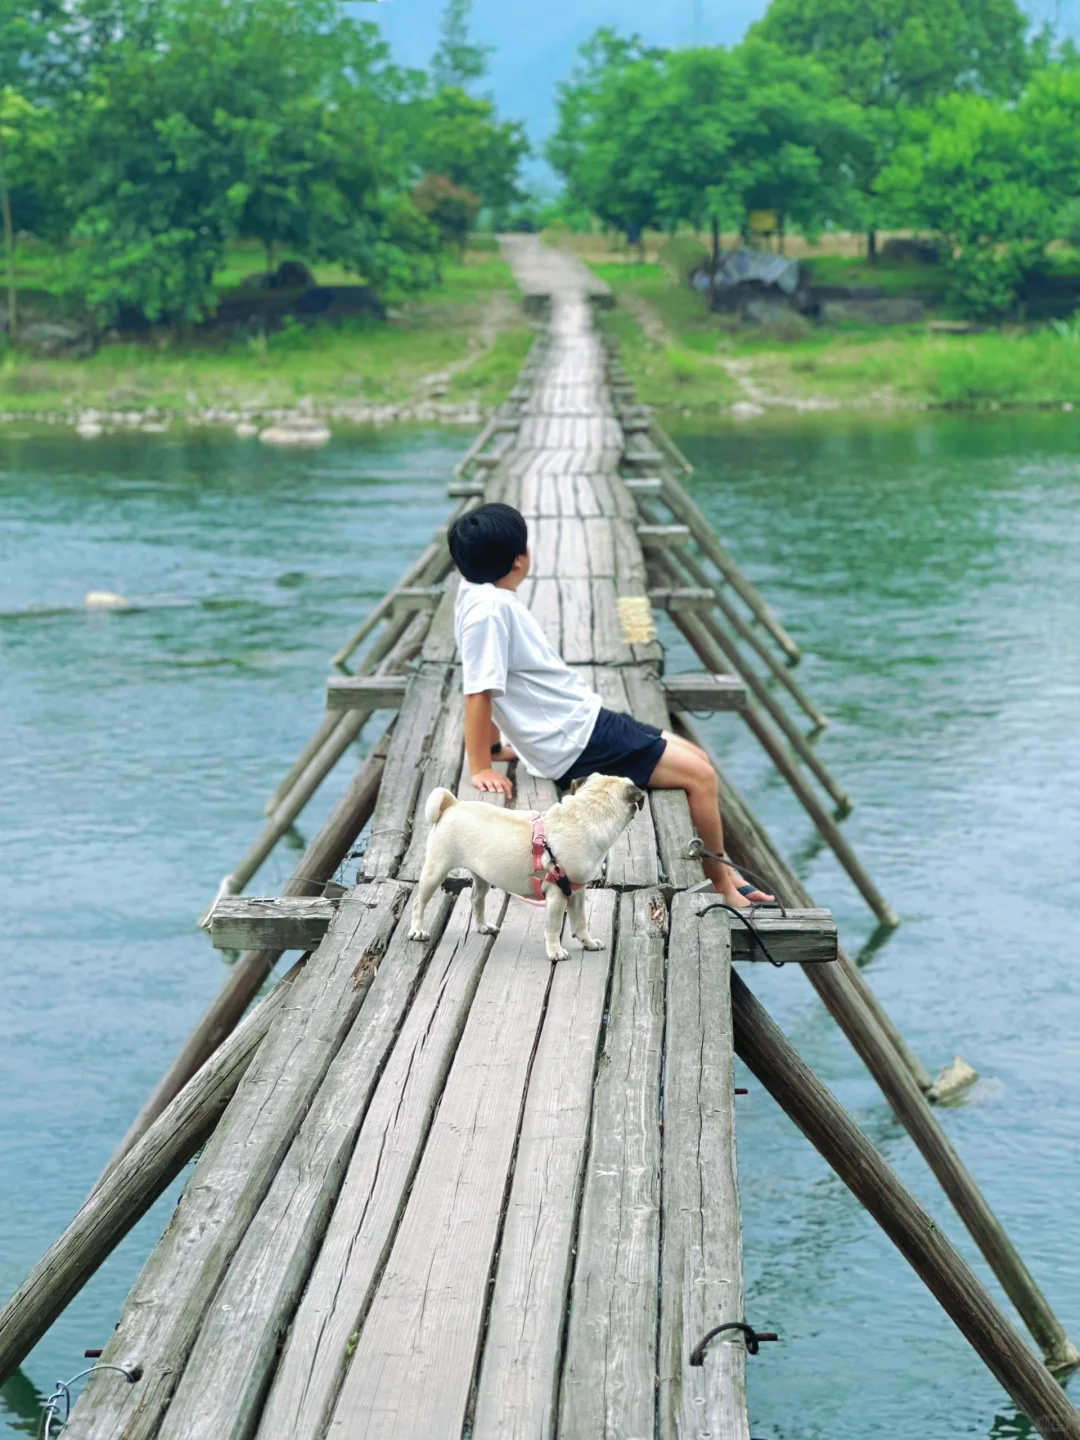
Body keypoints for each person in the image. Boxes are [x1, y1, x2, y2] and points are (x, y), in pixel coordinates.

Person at [447, 501, 775, 909]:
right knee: (702, 778)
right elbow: (479, 690)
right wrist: (480, 764)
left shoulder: (476, 594)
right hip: (576, 741)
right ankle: (723, 887)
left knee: (696, 756)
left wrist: (497, 749)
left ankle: (725, 870)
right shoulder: (490, 612)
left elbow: (492, 679)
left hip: (581, 723)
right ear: (519, 560)